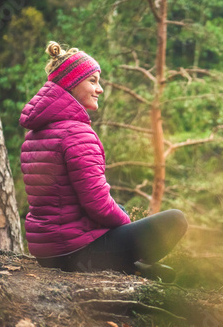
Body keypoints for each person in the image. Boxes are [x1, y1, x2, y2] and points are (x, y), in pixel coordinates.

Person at [19, 41, 187, 282]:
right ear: (71, 83)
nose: (100, 89)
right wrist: (127, 225)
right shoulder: (77, 133)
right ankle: (121, 265)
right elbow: (96, 204)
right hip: (75, 253)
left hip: (48, 252)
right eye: (93, 81)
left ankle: (132, 266)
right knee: (175, 220)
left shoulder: (34, 134)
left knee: (120, 210)